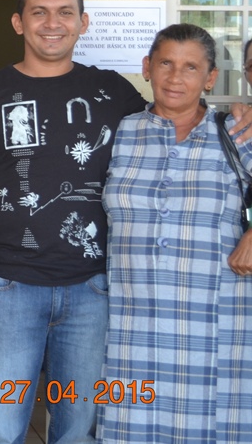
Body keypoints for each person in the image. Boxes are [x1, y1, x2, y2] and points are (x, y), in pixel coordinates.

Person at [0, 0, 148, 444]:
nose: (52, 23)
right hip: (7, 288)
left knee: (78, 428)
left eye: (65, 12)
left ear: (84, 22)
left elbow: (172, 132)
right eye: (39, 12)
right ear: (19, 22)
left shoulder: (115, 93)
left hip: (93, 290)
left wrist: (238, 110)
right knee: (1, 426)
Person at [99, 23, 252, 443]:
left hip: (216, 320)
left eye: (190, 67)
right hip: (132, 323)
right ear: (147, 68)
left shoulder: (238, 133)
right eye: (165, 63)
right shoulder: (120, 132)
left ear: (210, 78)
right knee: (130, 427)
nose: (175, 77)